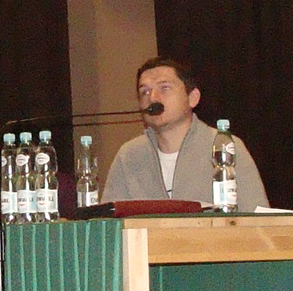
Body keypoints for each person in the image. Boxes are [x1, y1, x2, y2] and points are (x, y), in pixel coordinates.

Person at [101, 58, 268, 210]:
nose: (152, 98)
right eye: (145, 91)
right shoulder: (129, 155)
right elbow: (107, 223)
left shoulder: (225, 146)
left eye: (164, 88)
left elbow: (257, 219)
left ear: (193, 98)